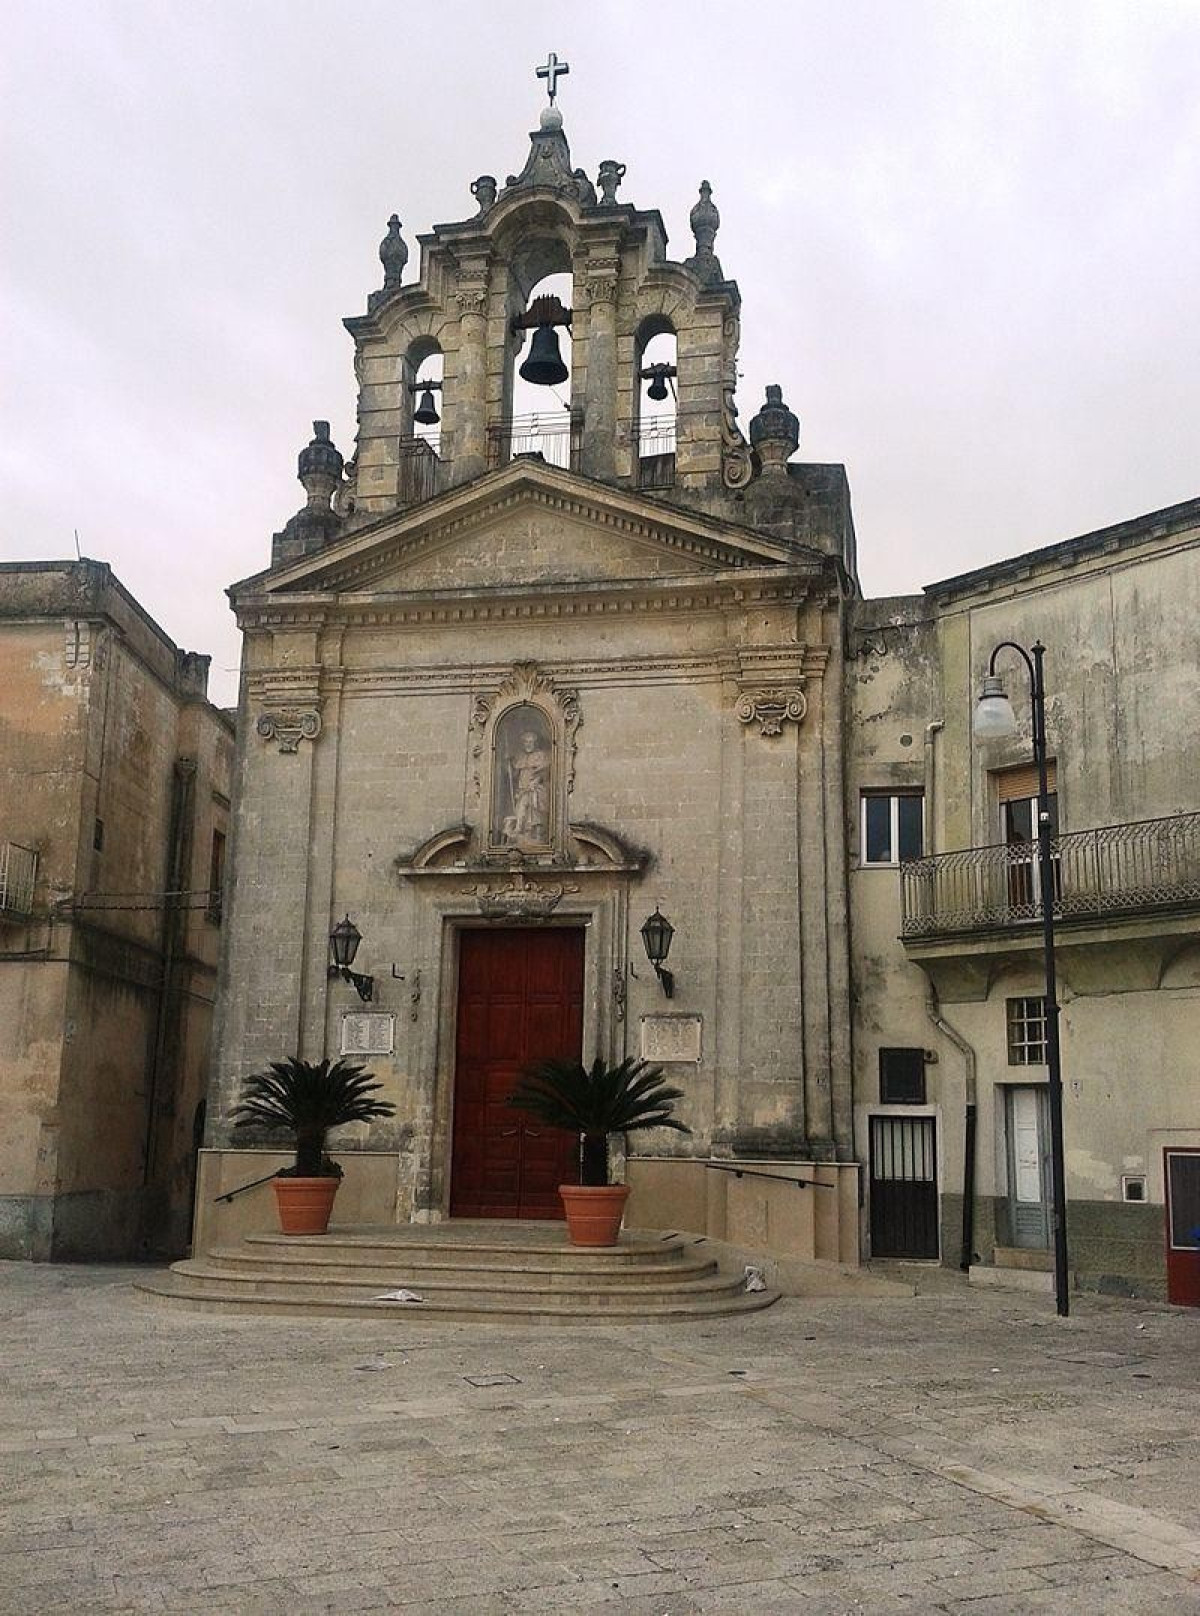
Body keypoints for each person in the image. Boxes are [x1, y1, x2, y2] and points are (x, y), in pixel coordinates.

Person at [503, 728, 550, 843]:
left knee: (535, 811)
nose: (528, 744)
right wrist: (508, 764)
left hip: (536, 788)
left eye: (530, 742)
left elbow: (545, 773)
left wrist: (536, 781)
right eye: (526, 742)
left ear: (535, 743)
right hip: (522, 789)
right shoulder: (520, 757)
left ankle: (535, 835)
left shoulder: (541, 755)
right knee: (521, 810)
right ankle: (519, 831)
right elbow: (514, 775)